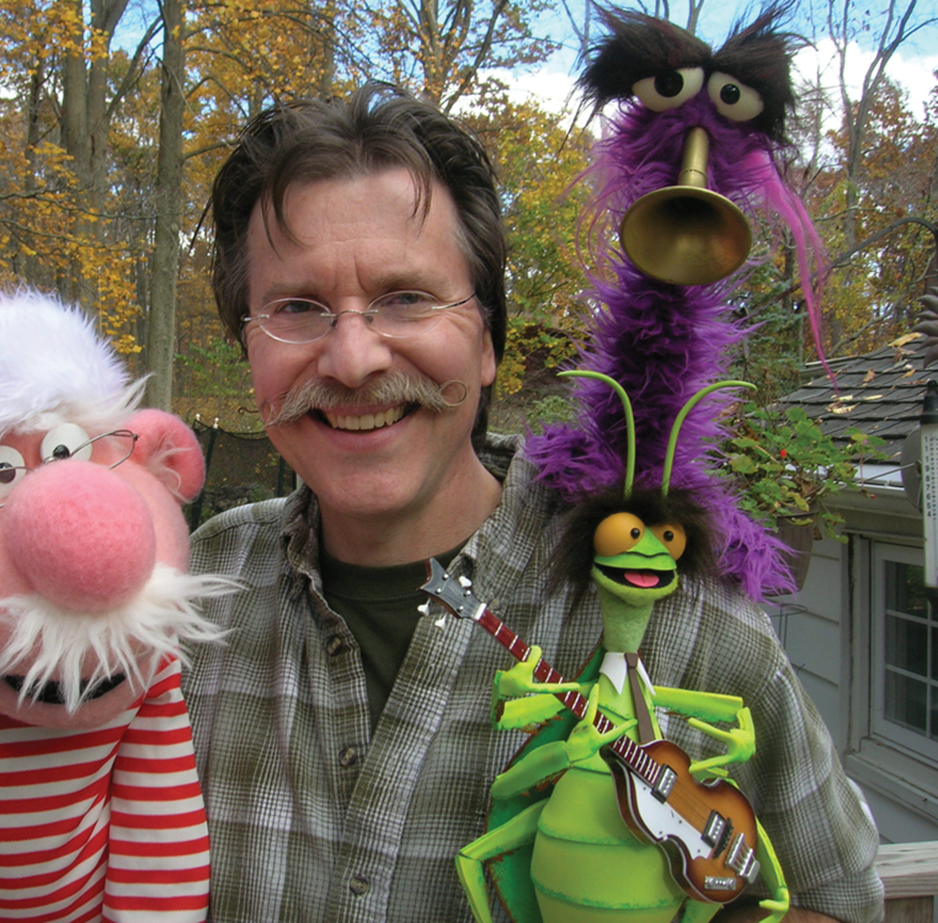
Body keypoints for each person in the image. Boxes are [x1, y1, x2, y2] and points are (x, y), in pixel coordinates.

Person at [181, 83, 883, 923]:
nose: (353, 357)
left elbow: (839, 901)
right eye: (296, 307)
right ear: (247, 346)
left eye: (406, 297)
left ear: (485, 341)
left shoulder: (678, 608)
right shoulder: (187, 598)